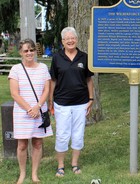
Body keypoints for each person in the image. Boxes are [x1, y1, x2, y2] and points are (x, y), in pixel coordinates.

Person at [49, 27, 94, 177]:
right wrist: (50, 101)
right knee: (62, 134)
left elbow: (89, 80)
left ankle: (74, 164)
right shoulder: (57, 57)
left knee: (78, 134)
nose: (70, 40)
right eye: (67, 38)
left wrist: (91, 98)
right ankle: (60, 166)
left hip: (81, 103)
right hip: (61, 103)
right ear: (62, 41)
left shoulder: (84, 57)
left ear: (76, 39)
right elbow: (53, 81)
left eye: (72, 38)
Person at [8, 38, 53, 184]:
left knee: (38, 143)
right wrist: (29, 109)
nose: (29, 53)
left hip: (39, 110)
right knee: (22, 145)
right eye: (26, 50)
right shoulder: (16, 69)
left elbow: (47, 89)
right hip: (22, 112)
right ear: (21, 52)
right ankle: (22, 174)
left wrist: (37, 107)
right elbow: (14, 93)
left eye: (32, 50)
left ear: (35, 51)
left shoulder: (43, 68)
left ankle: (34, 174)